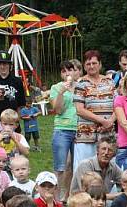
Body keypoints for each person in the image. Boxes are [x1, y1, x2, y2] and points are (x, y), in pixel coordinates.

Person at [73, 50, 116, 172]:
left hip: (107, 134)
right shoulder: (81, 84)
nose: (91, 66)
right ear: (84, 66)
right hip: (87, 135)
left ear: (100, 64)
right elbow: (80, 110)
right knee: (85, 168)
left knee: (108, 168)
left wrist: (110, 122)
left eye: (94, 63)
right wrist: (102, 121)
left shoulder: (110, 82)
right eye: (88, 64)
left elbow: (118, 106)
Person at [50, 59, 80, 199]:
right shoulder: (56, 87)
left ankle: (68, 197)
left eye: (70, 70)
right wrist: (61, 92)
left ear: (76, 72)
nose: (68, 73)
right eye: (64, 71)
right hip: (62, 129)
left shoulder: (82, 86)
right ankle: (55, 198)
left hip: (80, 129)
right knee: (60, 166)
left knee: (75, 166)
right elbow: (58, 110)